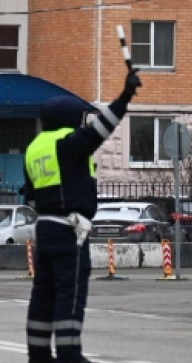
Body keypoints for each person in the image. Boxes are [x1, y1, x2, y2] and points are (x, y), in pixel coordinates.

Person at [22, 68, 142, 363]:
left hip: (44, 229)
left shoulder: (33, 148)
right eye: (80, 120)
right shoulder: (69, 144)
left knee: (43, 294)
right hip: (68, 230)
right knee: (70, 292)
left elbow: (30, 194)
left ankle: (38, 354)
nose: (83, 125)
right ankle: (69, 354)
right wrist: (125, 96)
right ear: (71, 120)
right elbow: (102, 128)